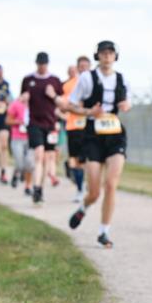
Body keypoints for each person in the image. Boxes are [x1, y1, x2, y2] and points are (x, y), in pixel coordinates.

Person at [55, 41, 131, 249]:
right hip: (92, 135)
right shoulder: (87, 78)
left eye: (111, 53)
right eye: (103, 53)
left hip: (115, 134)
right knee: (95, 191)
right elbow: (71, 105)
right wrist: (90, 112)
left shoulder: (122, 79)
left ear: (116, 56)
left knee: (111, 184)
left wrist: (125, 105)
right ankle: (84, 207)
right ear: (98, 56)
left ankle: (103, 231)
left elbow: (127, 102)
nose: (107, 57)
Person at [21, 52, 65, 205]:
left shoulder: (55, 80)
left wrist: (53, 95)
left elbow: (62, 103)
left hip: (51, 124)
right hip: (34, 123)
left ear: (48, 64)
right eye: (40, 63)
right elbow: (22, 100)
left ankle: (40, 189)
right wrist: (24, 98)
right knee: (38, 155)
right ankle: (36, 187)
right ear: (36, 63)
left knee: (47, 158)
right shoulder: (28, 80)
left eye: (44, 64)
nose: (42, 66)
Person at [63, 56, 92, 203]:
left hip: (90, 126)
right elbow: (66, 104)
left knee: (88, 159)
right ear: (77, 68)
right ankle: (80, 188)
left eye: (87, 66)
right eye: (81, 66)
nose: (84, 69)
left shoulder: (95, 83)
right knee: (75, 160)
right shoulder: (69, 85)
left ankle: (89, 185)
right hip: (73, 125)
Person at [6, 91, 34, 195]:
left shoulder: (34, 105)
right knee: (19, 163)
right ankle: (16, 174)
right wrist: (18, 122)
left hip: (30, 138)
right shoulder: (15, 104)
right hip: (17, 137)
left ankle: (27, 186)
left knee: (30, 164)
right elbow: (8, 120)